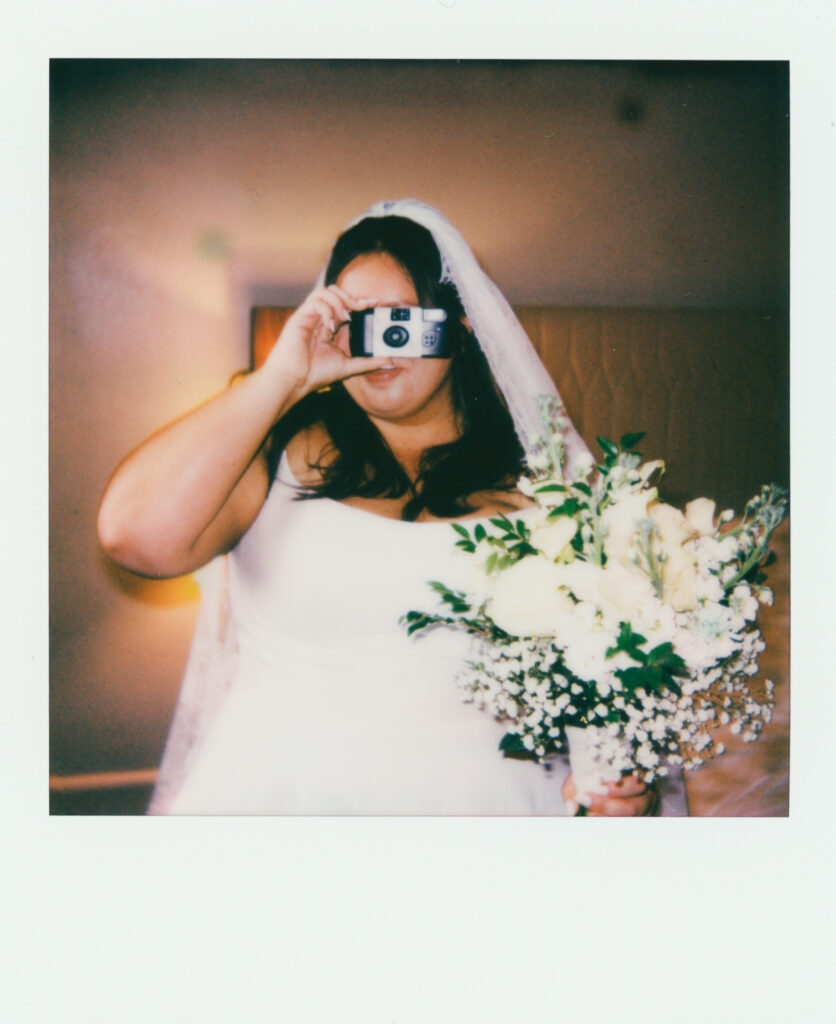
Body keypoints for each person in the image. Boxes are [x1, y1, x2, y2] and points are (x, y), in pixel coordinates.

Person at [98, 199, 660, 816]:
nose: (382, 342)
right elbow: (132, 536)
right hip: (278, 799)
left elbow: (601, 684)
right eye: (356, 319)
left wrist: (620, 787)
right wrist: (283, 377)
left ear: (461, 328)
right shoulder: (269, 448)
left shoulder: (549, 485)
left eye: (404, 319)